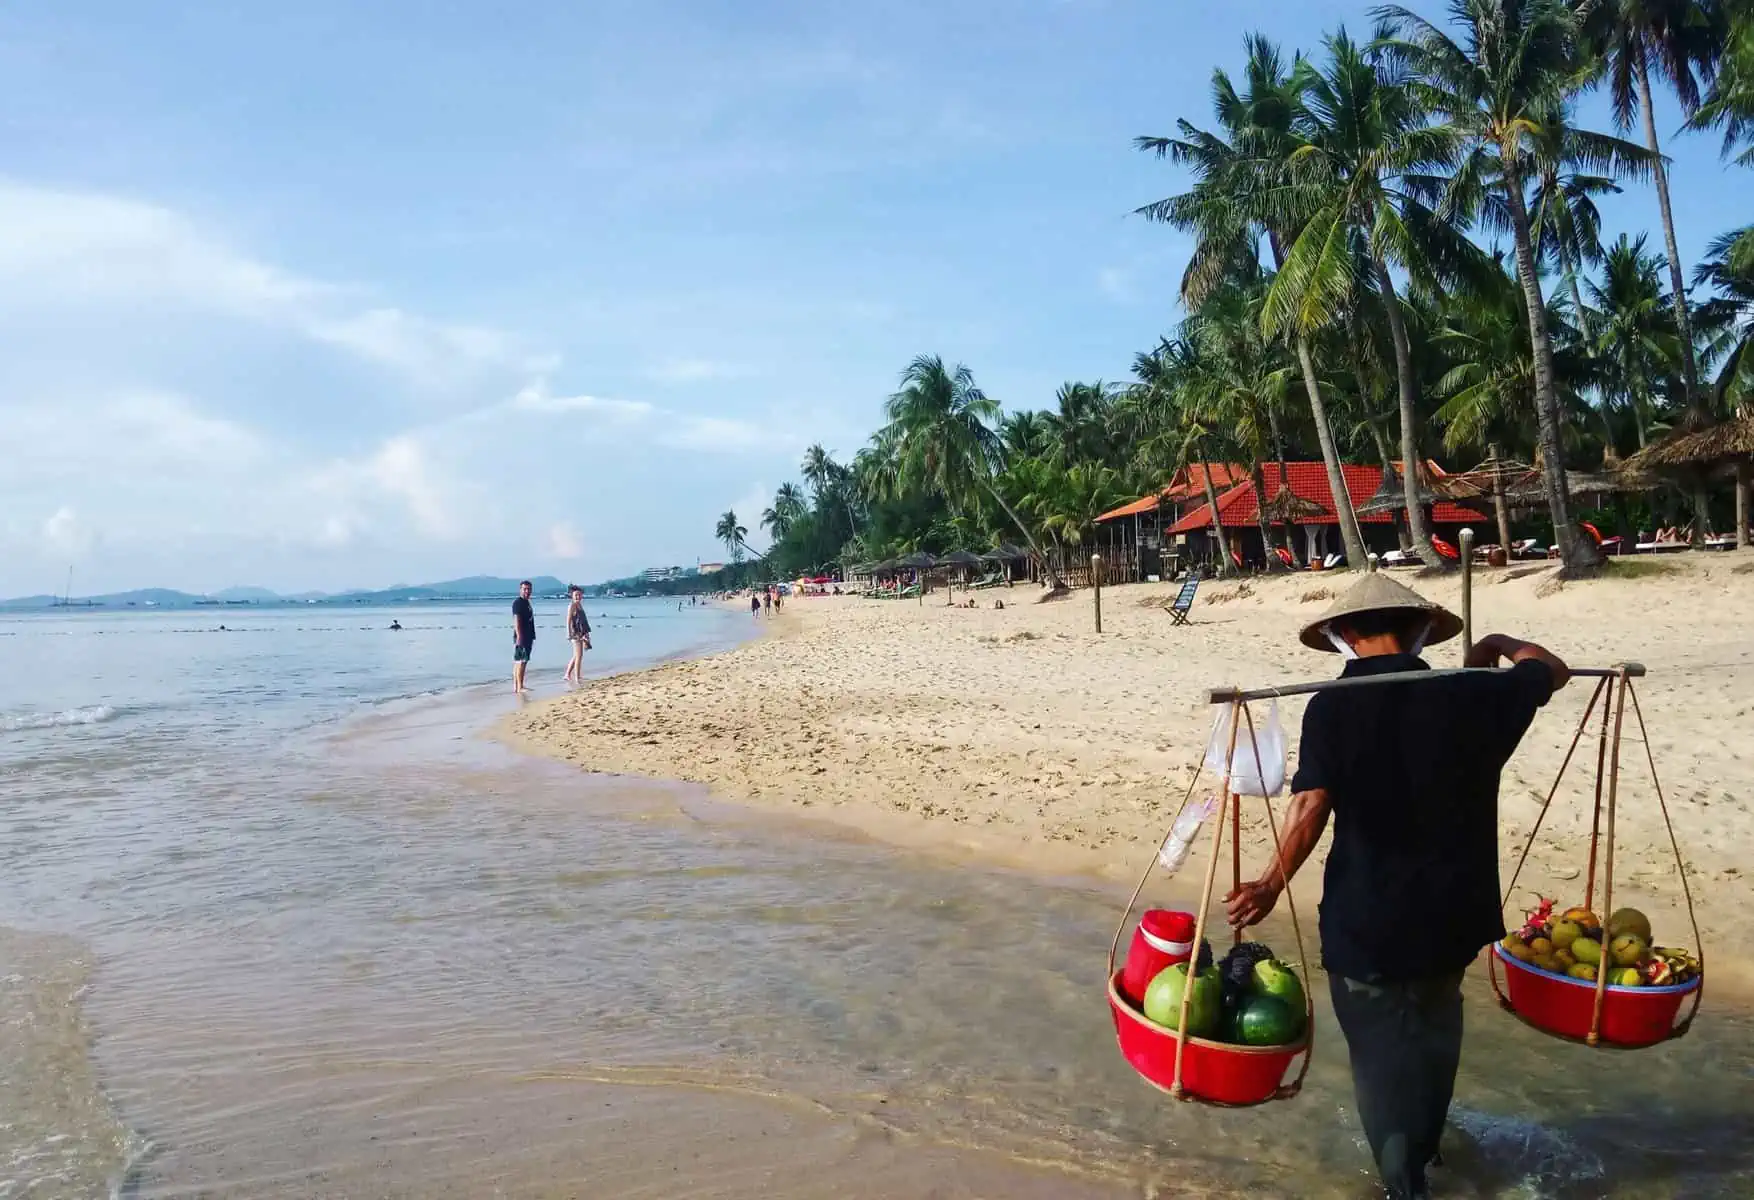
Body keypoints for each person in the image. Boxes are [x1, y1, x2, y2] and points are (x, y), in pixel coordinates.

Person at [1225, 574, 1568, 1200]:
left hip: (1369, 925)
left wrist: (1272, 884)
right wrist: (1489, 644)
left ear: (1344, 636)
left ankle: (1403, 1189)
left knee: (1379, 1066)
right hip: (1452, 918)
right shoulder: (1475, 696)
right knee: (1435, 1039)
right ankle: (1429, 1159)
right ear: (1420, 633)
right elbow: (1549, 666)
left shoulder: (1332, 706)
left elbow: (1311, 805)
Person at [511, 580, 536, 692]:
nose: (527, 591)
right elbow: (516, 620)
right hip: (522, 635)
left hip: (528, 635)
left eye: (529, 589)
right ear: (520, 590)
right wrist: (519, 636)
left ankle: (518, 686)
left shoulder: (527, 602)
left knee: (521, 661)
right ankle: (519, 686)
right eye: (525, 589)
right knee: (521, 661)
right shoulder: (518, 603)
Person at [563, 586, 591, 683]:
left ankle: (567, 674)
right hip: (575, 633)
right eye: (576, 595)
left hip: (581, 632)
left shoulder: (580, 605)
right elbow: (568, 620)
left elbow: (583, 621)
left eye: (579, 595)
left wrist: (586, 634)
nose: (578, 597)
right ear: (572, 596)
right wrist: (568, 633)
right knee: (579, 656)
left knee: (576, 655)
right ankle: (577, 677)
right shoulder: (572, 605)